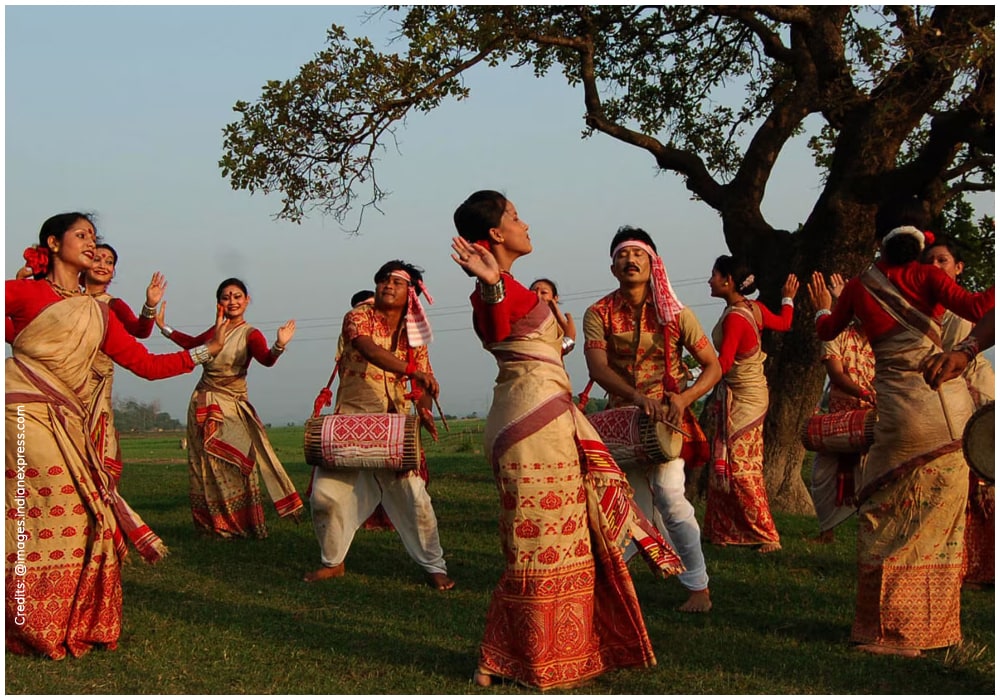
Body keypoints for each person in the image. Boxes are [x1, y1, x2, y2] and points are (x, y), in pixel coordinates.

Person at [452, 191, 683, 690]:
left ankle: (516, 654)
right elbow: (492, 329)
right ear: (495, 233)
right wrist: (491, 286)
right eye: (514, 217)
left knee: (560, 538)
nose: (524, 223)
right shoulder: (493, 291)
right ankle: (530, 655)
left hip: (550, 419)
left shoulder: (517, 288)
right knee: (535, 544)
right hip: (528, 426)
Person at [5, 213, 226, 659]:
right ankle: (32, 622)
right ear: (53, 242)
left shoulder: (100, 314)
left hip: (70, 415)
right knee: (52, 506)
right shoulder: (26, 292)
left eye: (94, 237)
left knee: (87, 516)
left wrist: (205, 351)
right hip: (22, 408)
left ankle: (50, 618)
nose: (92, 244)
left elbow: (147, 364)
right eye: (82, 235)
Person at [807, 200, 993, 657]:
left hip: (898, 414)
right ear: (924, 241)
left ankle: (891, 633)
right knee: (938, 528)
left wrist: (820, 309)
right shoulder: (931, 277)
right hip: (948, 411)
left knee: (881, 515)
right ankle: (933, 630)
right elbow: (978, 305)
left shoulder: (857, 286)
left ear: (877, 241)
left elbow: (828, 329)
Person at [582, 226, 720, 613]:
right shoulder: (598, 313)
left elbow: (713, 366)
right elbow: (597, 367)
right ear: (613, 267)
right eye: (623, 255)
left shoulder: (677, 313)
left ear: (653, 263)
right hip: (621, 423)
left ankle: (698, 589)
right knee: (624, 508)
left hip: (667, 424)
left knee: (671, 501)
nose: (630, 261)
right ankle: (612, 587)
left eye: (639, 254)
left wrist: (685, 397)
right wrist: (638, 398)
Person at [305, 261, 453, 591]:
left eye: (397, 282)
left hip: (395, 427)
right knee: (324, 497)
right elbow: (367, 348)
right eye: (383, 280)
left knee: (415, 499)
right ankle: (333, 562)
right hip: (352, 420)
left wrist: (425, 409)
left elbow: (423, 383)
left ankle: (434, 566)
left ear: (411, 293)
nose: (387, 285)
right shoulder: (358, 317)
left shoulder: (416, 337)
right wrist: (413, 372)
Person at [158, 278, 303, 539]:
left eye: (237, 296)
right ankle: (213, 525)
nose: (232, 301)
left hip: (232, 404)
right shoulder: (214, 333)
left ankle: (241, 523)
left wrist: (280, 345)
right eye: (226, 297)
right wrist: (164, 328)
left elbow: (267, 360)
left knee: (236, 462)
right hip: (203, 401)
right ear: (219, 303)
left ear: (247, 301)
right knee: (205, 463)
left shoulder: (251, 334)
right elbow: (192, 344)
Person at [82, 244, 172, 560]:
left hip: (96, 393)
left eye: (110, 261)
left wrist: (149, 305)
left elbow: (139, 332)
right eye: (97, 258)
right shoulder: (64, 300)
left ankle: (102, 532)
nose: (103, 264)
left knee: (101, 461)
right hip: (61, 389)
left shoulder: (112, 305)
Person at [704, 255, 798, 553]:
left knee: (741, 465)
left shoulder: (735, 317)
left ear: (727, 280)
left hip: (744, 396)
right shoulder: (752, 309)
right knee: (731, 461)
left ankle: (767, 534)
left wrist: (694, 377)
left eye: (714, 275)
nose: (710, 280)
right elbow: (784, 323)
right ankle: (724, 530)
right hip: (751, 392)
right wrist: (788, 299)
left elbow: (724, 362)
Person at [922, 239, 994, 589]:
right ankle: (969, 565)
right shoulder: (927, 309)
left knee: (986, 481)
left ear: (959, 267)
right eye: (930, 261)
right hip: (947, 393)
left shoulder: (965, 306)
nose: (937, 266)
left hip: (976, 393)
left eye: (943, 260)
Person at [807, 273, 876, 543]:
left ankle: (870, 531)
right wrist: (864, 393)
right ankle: (827, 532)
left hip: (875, 416)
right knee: (822, 475)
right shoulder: (836, 334)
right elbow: (835, 375)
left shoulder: (886, 338)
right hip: (840, 417)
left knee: (873, 475)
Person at [529, 278, 576, 354]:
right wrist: (569, 337)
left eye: (543, 292)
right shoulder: (522, 320)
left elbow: (557, 351)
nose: (538, 295)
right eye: (533, 292)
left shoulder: (557, 325)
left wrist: (569, 338)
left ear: (555, 298)